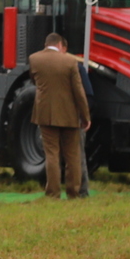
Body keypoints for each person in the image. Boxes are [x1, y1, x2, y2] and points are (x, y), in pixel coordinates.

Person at [28, 32, 90, 201]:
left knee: (52, 155)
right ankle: (74, 192)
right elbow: (79, 92)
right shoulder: (70, 62)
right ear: (61, 45)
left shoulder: (34, 59)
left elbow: (34, 81)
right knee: (72, 156)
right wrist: (85, 116)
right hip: (69, 115)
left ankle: (53, 193)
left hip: (45, 114)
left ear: (46, 44)